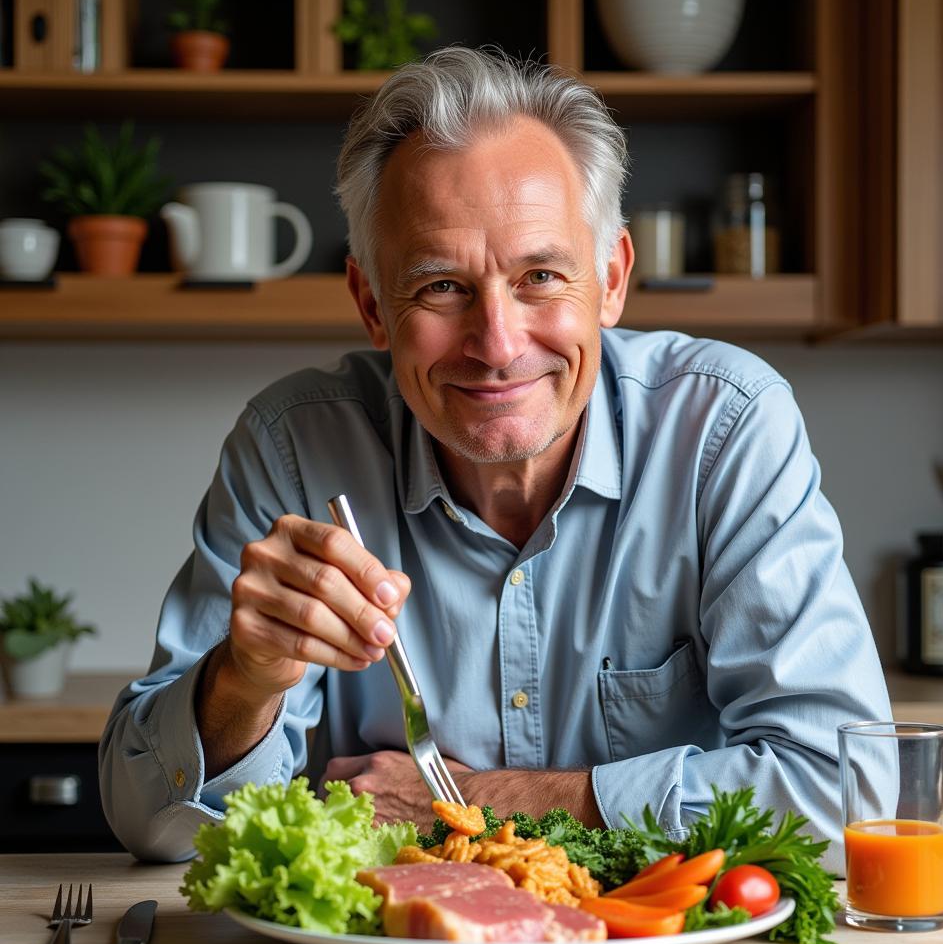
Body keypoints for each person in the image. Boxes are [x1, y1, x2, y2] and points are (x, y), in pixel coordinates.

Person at [99, 47, 890, 870]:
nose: (498, 345)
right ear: (372, 304)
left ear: (612, 280)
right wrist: (245, 679)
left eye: (541, 275)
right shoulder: (294, 447)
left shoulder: (725, 429)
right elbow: (149, 825)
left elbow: (851, 790)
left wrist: (471, 802)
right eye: (441, 286)